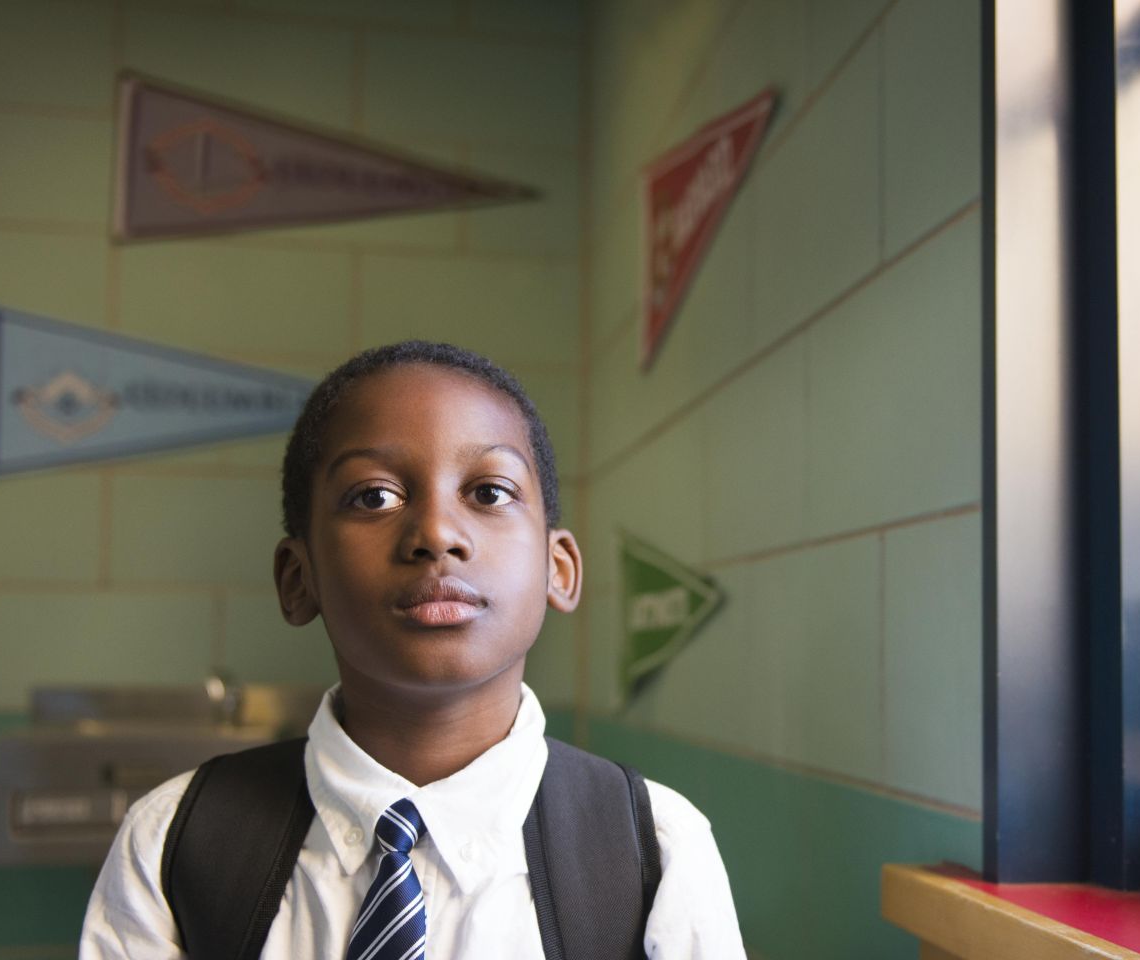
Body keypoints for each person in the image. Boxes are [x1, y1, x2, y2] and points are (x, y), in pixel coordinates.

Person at [80, 341, 745, 958]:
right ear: (297, 578)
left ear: (559, 568)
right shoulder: (173, 842)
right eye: (374, 496)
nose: (436, 533)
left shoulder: (654, 851)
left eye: (489, 492)